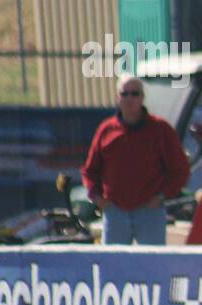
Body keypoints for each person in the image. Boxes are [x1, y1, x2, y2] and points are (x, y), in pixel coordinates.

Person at [81, 75, 190, 245]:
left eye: (135, 94)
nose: (130, 99)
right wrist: (97, 198)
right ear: (118, 97)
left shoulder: (160, 129)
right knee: (113, 266)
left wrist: (161, 196)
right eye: (125, 94)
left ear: (142, 98)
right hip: (115, 211)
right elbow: (89, 171)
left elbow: (180, 170)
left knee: (153, 265)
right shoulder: (106, 130)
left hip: (150, 211)